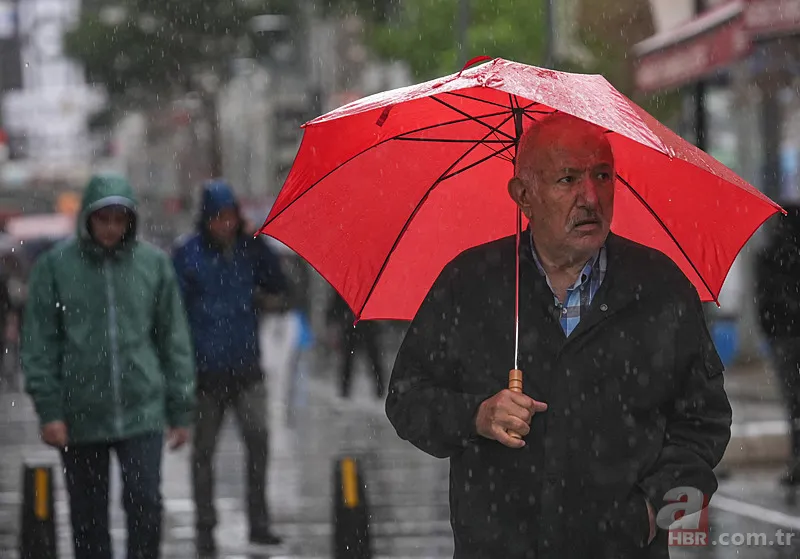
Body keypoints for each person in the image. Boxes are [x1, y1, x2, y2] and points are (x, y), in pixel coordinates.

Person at [385, 113, 732, 559]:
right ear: (523, 196)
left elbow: (704, 424)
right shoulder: (469, 284)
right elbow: (407, 398)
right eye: (567, 179)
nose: (591, 197)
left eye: (603, 176)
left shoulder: (659, 287)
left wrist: (651, 511)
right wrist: (476, 415)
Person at [21, 174, 195, 559]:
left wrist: (180, 408)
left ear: (130, 220)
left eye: (120, 219)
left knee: (146, 505)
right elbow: (40, 344)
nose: (112, 228)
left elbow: (173, 339)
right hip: (81, 413)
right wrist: (50, 410)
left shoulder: (153, 265)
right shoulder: (56, 268)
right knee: (88, 518)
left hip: (142, 410)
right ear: (88, 218)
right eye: (104, 219)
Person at [172, 179, 288, 555]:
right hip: (206, 373)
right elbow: (174, 311)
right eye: (218, 217)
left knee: (259, 442)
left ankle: (260, 521)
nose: (225, 224)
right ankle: (205, 525)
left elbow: (280, 283)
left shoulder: (249, 251)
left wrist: (258, 244)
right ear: (206, 219)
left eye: (230, 217)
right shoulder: (187, 255)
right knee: (203, 453)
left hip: (246, 368)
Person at [755, 203, 800, 487]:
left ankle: (796, 459)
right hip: (786, 334)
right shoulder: (780, 254)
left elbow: (764, 299)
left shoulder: (769, 254)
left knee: (793, 404)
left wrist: (769, 330)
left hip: (784, 337)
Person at [326, 291, 386, 399]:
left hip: (362, 323)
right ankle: (346, 388)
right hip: (354, 323)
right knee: (350, 358)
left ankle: (378, 388)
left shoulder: (355, 285)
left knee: (370, 357)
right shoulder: (353, 286)